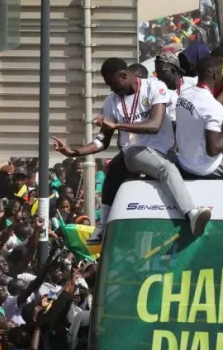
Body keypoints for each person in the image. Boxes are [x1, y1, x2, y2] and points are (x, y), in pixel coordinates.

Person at [51, 57, 211, 240]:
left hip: (164, 151)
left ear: (124, 75)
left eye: (114, 84)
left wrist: (117, 125)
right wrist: (75, 152)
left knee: (180, 167)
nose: (112, 90)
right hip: (135, 152)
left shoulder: (154, 87)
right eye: (109, 86)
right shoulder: (111, 102)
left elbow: (155, 125)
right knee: (165, 169)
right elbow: (102, 141)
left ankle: (104, 226)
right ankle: (192, 214)